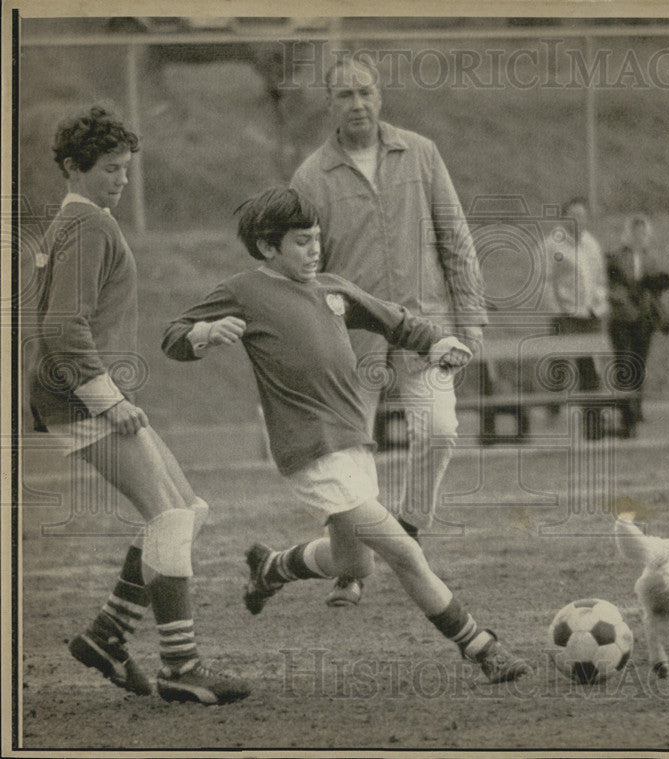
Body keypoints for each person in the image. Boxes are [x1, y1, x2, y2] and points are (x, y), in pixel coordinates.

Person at [162, 187, 531, 684]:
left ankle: (272, 567)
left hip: (352, 442)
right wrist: (203, 335)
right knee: (403, 551)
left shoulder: (331, 288)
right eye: (300, 242)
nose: (314, 249)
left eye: (316, 239)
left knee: (354, 563)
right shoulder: (244, 291)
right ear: (268, 247)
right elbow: (174, 335)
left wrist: (437, 340)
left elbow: (393, 319)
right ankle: (480, 646)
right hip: (311, 449)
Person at [29, 105, 250, 704]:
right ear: (74, 169)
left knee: (187, 508)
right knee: (170, 518)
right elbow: (60, 325)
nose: (122, 179)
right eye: (109, 169)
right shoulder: (88, 225)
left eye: (126, 168)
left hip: (80, 393)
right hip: (79, 397)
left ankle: (108, 634)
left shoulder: (80, 221)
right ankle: (181, 665)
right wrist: (104, 398)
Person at [290, 54, 487, 605]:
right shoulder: (311, 176)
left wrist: (470, 318)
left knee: (441, 430)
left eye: (366, 92)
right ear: (330, 105)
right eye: (345, 95)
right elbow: (299, 265)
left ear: (381, 97)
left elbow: (455, 235)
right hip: (350, 339)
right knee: (350, 458)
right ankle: (351, 570)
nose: (358, 104)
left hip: (427, 329)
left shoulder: (421, 154)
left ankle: (408, 529)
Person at [543, 197, 609, 437]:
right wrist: (558, 310)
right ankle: (553, 411)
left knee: (590, 366)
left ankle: (592, 420)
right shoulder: (553, 244)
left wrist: (599, 303)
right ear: (563, 217)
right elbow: (546, 282)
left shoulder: (591, 244)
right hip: (566, 315)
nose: (578, 220)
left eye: (582, 215)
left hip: (590, 315)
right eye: (573, 215)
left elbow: (600, 278)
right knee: (559, 364)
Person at [605, 215, 669, 436]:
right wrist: (626, 301)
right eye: (635, 232)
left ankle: (637, 406)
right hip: (622, 318)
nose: (639, 237)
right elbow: (612, 286)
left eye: (643, 233)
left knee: (639, 363)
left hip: (643, 318)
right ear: (628, 234)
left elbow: (654, 289)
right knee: (623, 363)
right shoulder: (615, 257)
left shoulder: (650, 258)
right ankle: (625, 409)